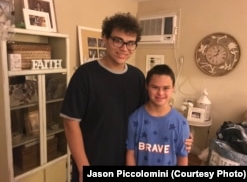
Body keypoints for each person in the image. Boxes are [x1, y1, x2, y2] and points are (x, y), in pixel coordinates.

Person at [60, 12, 193, 182]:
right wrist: (83, 167)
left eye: (130, 43)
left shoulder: (137, 77)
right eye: (118, 40)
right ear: (105, 39)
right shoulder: (85, 75)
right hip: (94, 161)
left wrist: (184, 134)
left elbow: (154, 112)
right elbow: (70, 123)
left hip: (130, 160)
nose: (124, 48)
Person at [126, 64, 190, 166]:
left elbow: (182, 158)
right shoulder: (135, 119)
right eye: (155, 87)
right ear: (147, 86)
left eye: (166, 88)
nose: (160, 93)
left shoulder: (181, 123)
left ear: (173, 88)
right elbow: (130, 153)